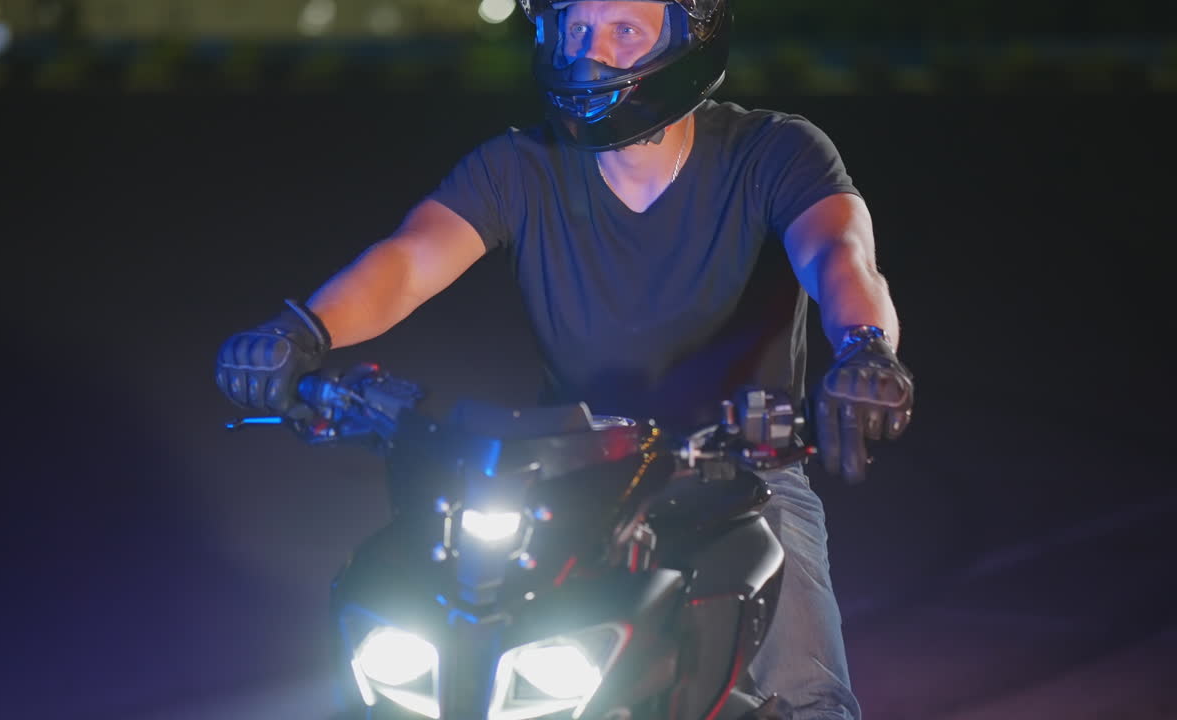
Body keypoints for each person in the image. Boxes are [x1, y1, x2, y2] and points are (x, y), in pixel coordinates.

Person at [215, 1, 913, 717]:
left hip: (742, 470)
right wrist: (302, 332)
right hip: (573, 476)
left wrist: (865, 349)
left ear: (692, 36)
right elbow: (409, 259)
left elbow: (840, 253)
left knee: (808, 697)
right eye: (576, 28)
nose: (592, 55)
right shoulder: (518, 165)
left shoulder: (773, 152)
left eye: (624, 30)